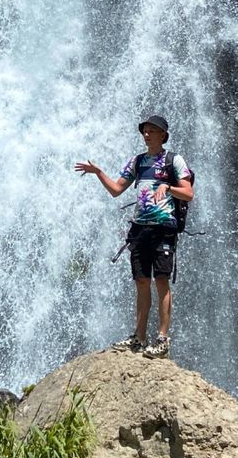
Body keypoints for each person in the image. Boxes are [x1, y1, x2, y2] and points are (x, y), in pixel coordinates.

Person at [75, 114, 194, 359]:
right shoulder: (138, 162)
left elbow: (189, 193)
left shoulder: (174, 160)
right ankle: (139, 338)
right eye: (144, 131)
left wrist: (168, 187)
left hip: (164, 227)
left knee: (161, 280)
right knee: (141, 281)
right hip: (139, 229)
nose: (147, 134)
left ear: (163, 135)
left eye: (152, 131)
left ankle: (162, 339)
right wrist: (99, 173)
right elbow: (117, 190)